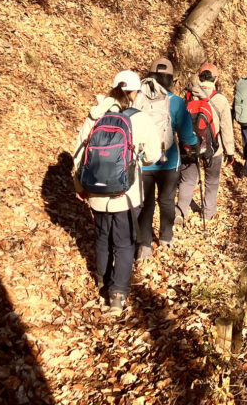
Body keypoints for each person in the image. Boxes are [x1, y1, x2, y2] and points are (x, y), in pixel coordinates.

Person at [71, 71, 160, 314]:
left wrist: (81, 187)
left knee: (102, 237)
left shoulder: (95, 115)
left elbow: (78, 153)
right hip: (126, 195)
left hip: (96, 194)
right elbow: (153, 155)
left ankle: (102, 280)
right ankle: (117, 294)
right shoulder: (139, 119)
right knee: (122, 244)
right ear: (133, 93)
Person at [133, 57, 197, 260]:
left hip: (143, 162)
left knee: (146, 204)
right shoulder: (176, 102)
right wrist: (194, 145)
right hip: (169, 162)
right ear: (171, 80)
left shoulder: (138, 100)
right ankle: (165, 238)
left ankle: (144, 245)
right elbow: (187, 136)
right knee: (167, 201)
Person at [177, 62, 236, 223]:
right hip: (213, 148)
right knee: (211, 181)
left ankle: (180, 212)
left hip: (190, 145)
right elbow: (226, 128)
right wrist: (230, 151)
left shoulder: (188, 96)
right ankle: (208, 212)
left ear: (199, 75)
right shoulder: (220, 100)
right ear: (215, 79)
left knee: (187, 180)